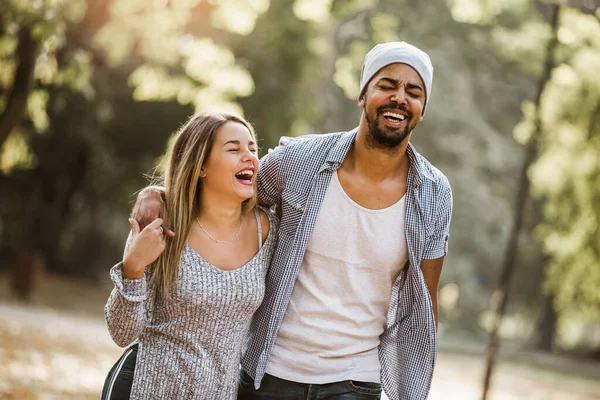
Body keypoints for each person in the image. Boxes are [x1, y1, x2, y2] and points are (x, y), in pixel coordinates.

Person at [134, 41, 453, 400]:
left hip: (356, 380)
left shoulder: (433, 192)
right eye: (387, 85)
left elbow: (425, 305)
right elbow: (228, 190)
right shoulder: (300, 160)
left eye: (413, 92)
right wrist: (160, 194)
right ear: (363, 96)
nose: (399, 98)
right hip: (269, 373)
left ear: (422, 109)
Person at [102, 111, 277, 400]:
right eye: (234, 149)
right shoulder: (160, 222)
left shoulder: (268, 230)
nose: (249, 156)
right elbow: (122, 333)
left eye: (252, 148)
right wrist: (133, 267)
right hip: (144, 388)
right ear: (201, 167)